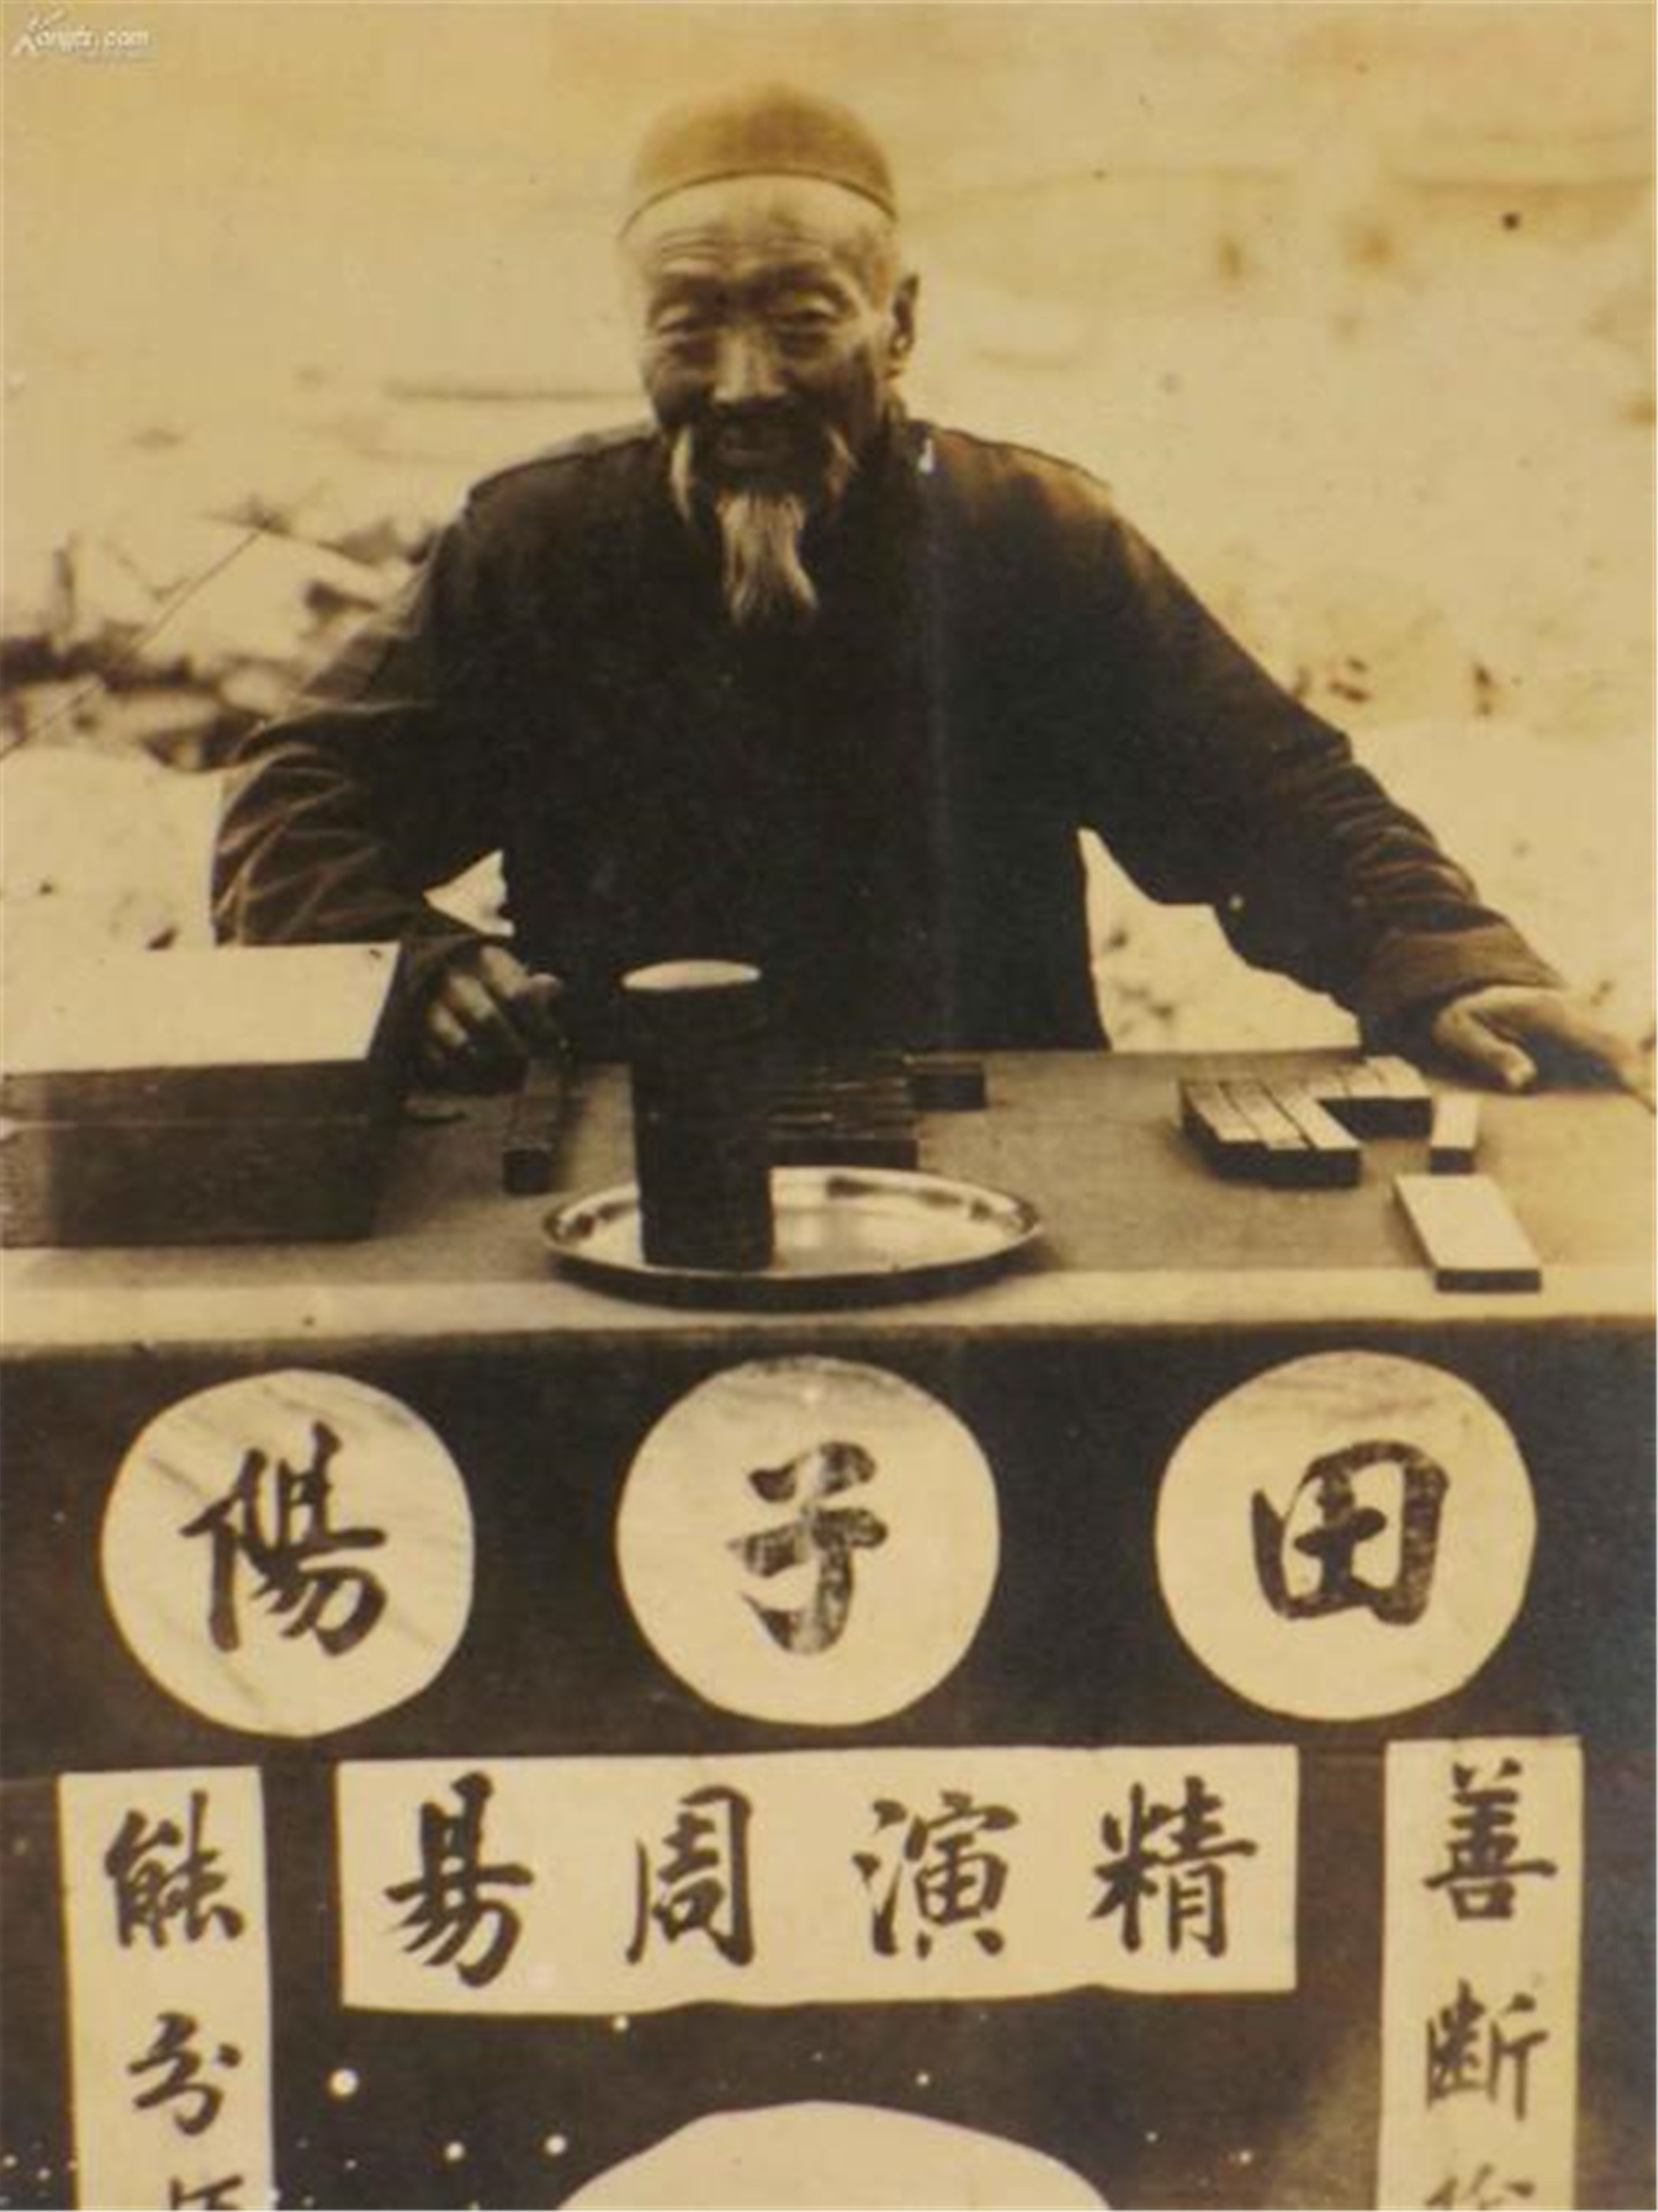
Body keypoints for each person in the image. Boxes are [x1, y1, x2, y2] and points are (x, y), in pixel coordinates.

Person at [212, 84, 1641, 1098]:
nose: (744, 383)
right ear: (633, 334)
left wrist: (1450, 967)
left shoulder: (1031, 538)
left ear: (899, 326)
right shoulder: (536, 545)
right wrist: (414, 964)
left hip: (995, 1135)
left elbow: (1278, 798)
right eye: (689, 326)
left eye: (802, 321)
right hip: (618, 1143)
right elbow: (293, 798)